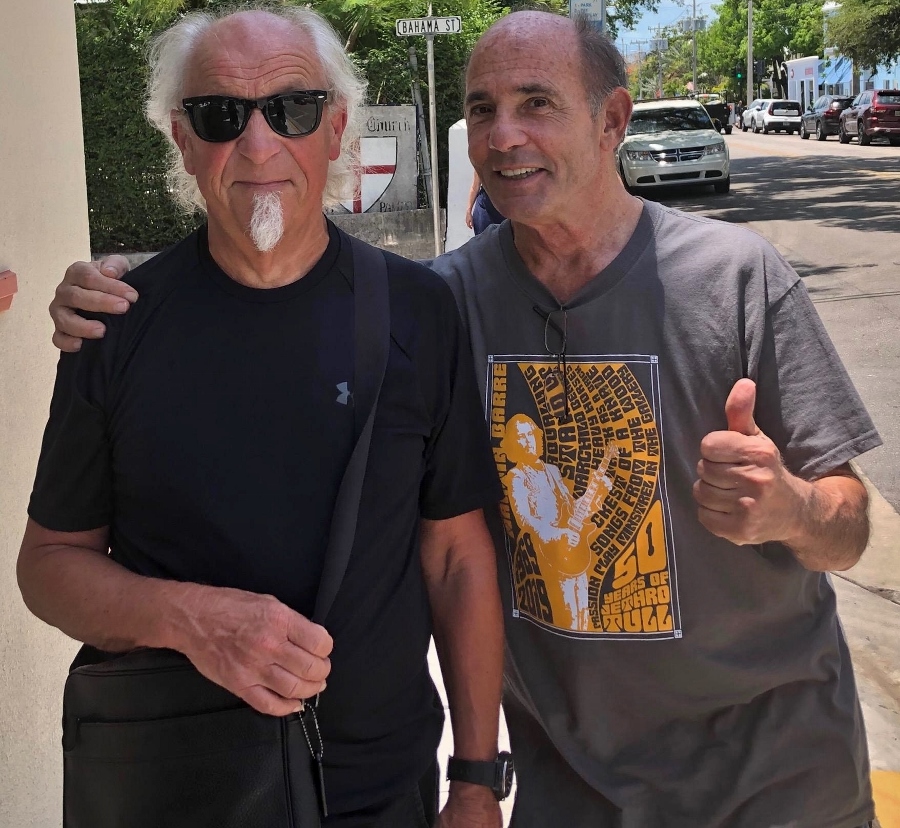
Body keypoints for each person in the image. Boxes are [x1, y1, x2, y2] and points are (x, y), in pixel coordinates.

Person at [48, 10, 881, 828]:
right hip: (572, 788)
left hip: (773, 779)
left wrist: (794, 510)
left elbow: (848, 531)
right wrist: (118, 293)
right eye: (482, 109)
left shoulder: (735, 277)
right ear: (182, 136)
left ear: (612, 120)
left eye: (537, 103)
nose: (504, 135)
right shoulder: (443, 301)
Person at [19, 8, 507, 828]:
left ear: (336, 129)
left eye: (292, 109)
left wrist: (477, 779)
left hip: (377, 790)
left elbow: (457, 555)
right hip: (175, 788)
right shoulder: (115, 324)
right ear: (182, 141)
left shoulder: (419, 312)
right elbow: (47, 567)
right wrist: (191, 621)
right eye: (220, 115)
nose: (257, 144)